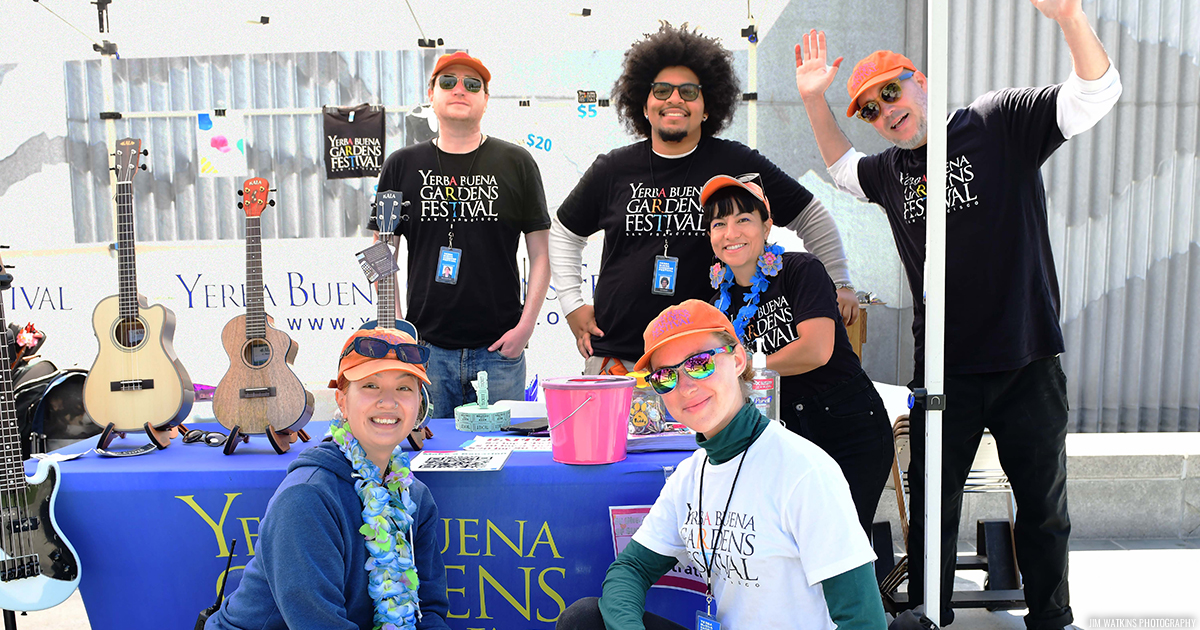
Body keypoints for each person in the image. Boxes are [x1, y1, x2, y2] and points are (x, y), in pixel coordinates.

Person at [793, 1, 1121, 626]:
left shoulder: (995, 121)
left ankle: (1052, 619)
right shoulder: (890, 173)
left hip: (1028, 361)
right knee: (933, 512)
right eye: (870, 108)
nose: (886, 110)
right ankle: (929, 617)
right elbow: (840, 170)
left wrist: (1072, 19)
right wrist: (816, 100)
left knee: (1045, 508)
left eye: (892, 92)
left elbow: (1095, 94)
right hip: (945, 374)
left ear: (921, 82)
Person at [550, 23, 858, 377]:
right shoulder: (612, 169)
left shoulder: (735, 163)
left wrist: (840, 281)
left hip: (702, 366)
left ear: (708, 107)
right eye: (662, 90)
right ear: (644, 105)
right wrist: (572, 304)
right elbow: (564, 232)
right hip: (616, 362)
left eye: (689, 91)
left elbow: (810, 213)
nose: (674, 99)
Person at [556, 299, 886, 630]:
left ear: (738, 359)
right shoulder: (690, 475)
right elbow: (629, 571)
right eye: (665, 376)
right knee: (584, 620)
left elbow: (864, 619)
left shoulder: (805, 472)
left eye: (699, 363)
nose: (685, 386)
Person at [206, 328, 450, 630]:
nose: (389, 402)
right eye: (371, 386)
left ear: (418, 405)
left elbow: (430, 609)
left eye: (404, 389)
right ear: (342, 401)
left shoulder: (415, 496)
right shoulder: (307, 497)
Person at [701, 174, 893, 535]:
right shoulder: (719, 304)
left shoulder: (800, 270)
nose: (731, 232)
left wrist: (745, 369)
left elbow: (817, 350)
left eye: (744, 219)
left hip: (847, 426)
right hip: (781, 437)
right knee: (791, 550)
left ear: (767, 225)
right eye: (719, 224)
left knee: (841, 545)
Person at [372, 51, 550, 417]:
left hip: (499, 354)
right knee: (429, 460)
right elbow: (379, 251)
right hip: (427, 352)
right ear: (431, 94)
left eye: (473, 85)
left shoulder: (517, 163)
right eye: (447, 82)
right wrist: (399, 329)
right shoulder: (401, 165)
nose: (459, 90)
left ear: (485, 99)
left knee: (502, 462)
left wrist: (526, 328)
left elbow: (542, 256)